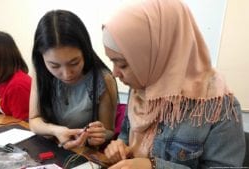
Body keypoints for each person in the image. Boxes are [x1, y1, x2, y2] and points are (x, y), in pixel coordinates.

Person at [102, 0, 245, 168]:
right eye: (113, 62)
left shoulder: (218, 107)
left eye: (123, 64)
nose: (114, 73)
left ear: (157, 54)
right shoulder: (142, 87)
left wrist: (153, 166)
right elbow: (126, 136)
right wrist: (119, 147)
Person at [29, 10, 118, 150]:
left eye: (74, 63)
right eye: (54, 65)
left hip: (83, 154)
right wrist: (55, 130)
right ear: (42, 58)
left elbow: (109, 131)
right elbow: (34, 120)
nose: (66, 74)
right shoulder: (40, 71)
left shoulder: (103, 79)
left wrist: (98, 135)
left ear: (85, 51)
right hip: (49, 149)